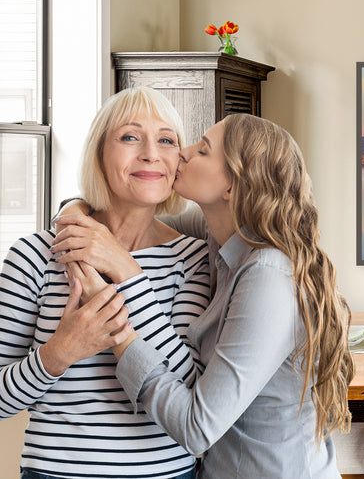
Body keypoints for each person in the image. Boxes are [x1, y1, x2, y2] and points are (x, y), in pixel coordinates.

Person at [58, 113, 354, 478]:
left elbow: (197, 428)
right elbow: (128, 219)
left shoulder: (267, 274)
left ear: (231, 185)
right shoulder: (221, 235)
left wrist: (118, 328)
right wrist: (73, 211)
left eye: (202, 150)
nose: (182, 152)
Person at [0, 87, 210, 479]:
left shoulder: (194, 259)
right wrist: (58, 354)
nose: (150, 152)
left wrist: (126, 271)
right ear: (98, 154)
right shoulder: (33, 256)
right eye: (130, 136)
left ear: (177, 162)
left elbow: (190, 391)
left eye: (166, 140)